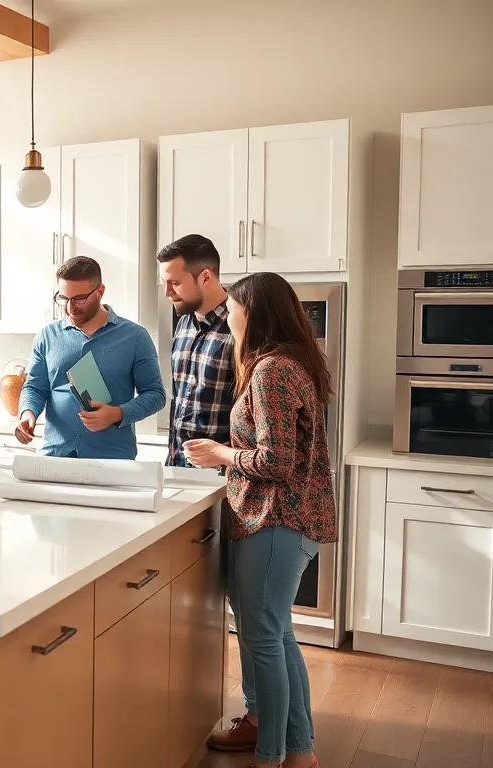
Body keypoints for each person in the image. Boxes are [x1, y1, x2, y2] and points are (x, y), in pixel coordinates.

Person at [184, 271, 336, 768]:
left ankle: (271, 757)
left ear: (255, 312)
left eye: (232, 307)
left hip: (275, 521)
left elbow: (277, 460)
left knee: (265, 638)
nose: (227, 315)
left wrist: (220, 454)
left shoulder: (272, 370)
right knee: (278, 634)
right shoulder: (293, 363)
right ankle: (299, 750)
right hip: (284, 522)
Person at [14, 256, 165, 459]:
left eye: (79, 299)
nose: (69, 307)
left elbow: (155, 395)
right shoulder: (47, 335)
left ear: (100, 292)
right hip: (56, 456)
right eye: (63, 298)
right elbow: (35, 387)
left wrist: (117, 414)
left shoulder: (135, 337)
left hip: (113, 459)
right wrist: (28, 414)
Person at [158, 234, 236, 468]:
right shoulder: (183, 323)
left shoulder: (238, 325)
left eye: (175, 283)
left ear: (205, 277)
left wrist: (227, 456)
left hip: (222, 473)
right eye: (165, 283)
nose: (167, 292)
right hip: (177, 465)